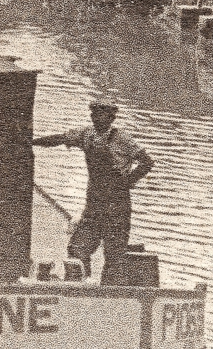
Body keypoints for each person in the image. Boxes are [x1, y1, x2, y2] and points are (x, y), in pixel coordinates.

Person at [32, 98, 154, 284]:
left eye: (100, 115)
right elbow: (59, 139)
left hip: (117, 208)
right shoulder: (86, 135)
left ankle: (110, 292)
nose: (95, 118)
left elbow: (147, 162)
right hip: (94, 206)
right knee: (77, 249)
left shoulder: (122, 139)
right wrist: (31, 142)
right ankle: (83, 284)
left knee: (114, 256)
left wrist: (127, 182)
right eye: (93, 114)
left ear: (111, 118)